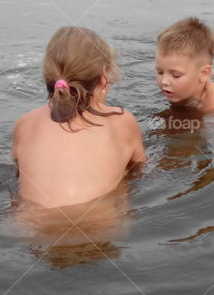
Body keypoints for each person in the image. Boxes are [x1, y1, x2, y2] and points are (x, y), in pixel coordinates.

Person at [12, 27, 146, 208]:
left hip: (30, 227)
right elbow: (140, 170)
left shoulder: (24, 123)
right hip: (98, 225)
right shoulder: (122, 121)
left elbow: (19, 173)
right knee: (123, 182)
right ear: (104, 78)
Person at [155, 17, 214, 113]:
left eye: (176, 75)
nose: (164, 81)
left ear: (204, 74)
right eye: (160, 72)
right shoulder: (177, 90)